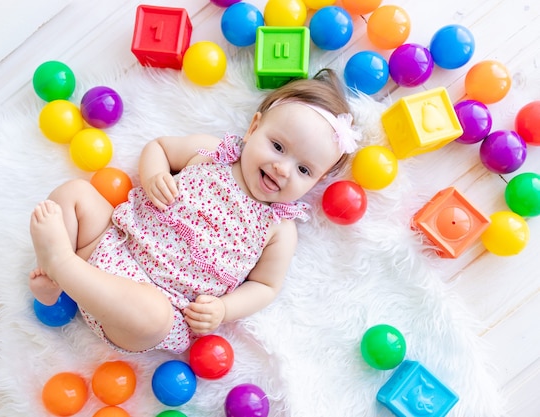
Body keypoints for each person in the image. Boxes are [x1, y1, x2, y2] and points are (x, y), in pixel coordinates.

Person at [28, 69, 360, 354]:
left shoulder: (279, 229)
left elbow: (266, 287)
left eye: (304, 170)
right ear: (253, 128)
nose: (282, 169)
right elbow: (159, 147)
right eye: (277, 147)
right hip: (112, 242)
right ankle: (59, 278)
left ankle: (60, 264)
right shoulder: (213, 152)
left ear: (318, 180)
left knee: (152, 315)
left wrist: (224, 308)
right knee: (75, 194)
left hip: (157, 304)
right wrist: (155, 174)